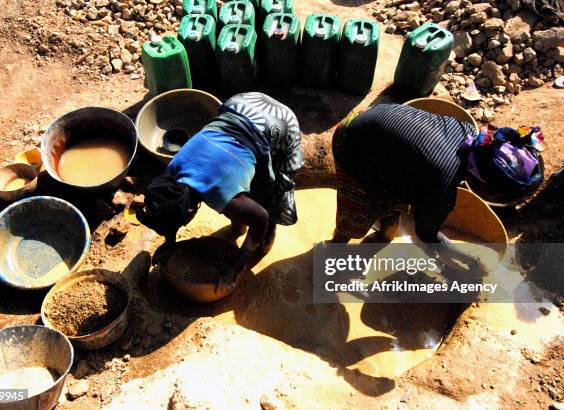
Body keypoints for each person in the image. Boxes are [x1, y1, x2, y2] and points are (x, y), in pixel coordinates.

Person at [138, 92, 303, 291]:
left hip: (279, 124)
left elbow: (261, 218)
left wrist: (236, 267)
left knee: (269, 199)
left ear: (191, 211)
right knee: (239, 187)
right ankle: (238, 228)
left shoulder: (224, 197)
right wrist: (169, 244)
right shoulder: (173, 171)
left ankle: (264, 244)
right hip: (240, 103)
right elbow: (169, 210)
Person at [331, 103, 490, 272]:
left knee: (391, 218)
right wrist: (463, 257)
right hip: (353, 143)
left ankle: (372, 246)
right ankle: (333, 257)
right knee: (354, 218)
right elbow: (426, 232)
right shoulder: (443, 180)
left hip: (388, 146)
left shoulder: (469, 135)